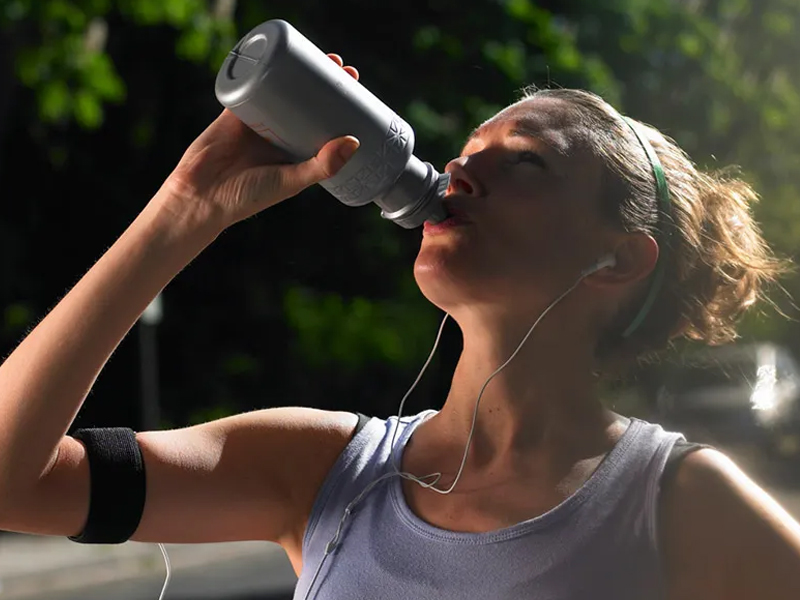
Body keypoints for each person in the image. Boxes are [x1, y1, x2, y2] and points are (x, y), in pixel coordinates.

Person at [0, 52, 799, 600]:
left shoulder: (676, 505)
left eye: (525, 161)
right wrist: (180, 212)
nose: (459, 170)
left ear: (617, 261)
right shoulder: (325, 471)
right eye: (465, 151)